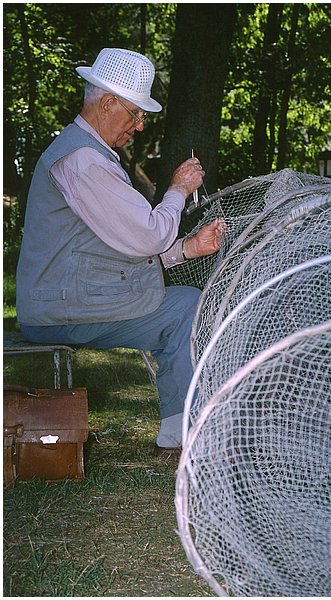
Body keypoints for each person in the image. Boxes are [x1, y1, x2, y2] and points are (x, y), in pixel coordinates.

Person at [16, 48, 224, 456]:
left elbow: (111, 253)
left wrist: (187, 248)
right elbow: (147, 238)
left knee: (182, 304)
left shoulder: (84, 154)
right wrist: (179, 189)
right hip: (57, 311)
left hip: (60, 301)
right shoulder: (84, 161)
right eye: (135, 113)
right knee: (186, 309)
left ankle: (179, 433)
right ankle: (179, 438)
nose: (140, 126)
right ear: (107, 103)